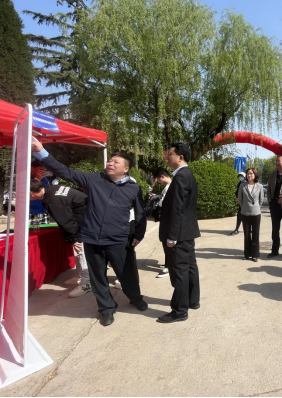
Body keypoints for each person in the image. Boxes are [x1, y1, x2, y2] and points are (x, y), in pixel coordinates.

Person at [31, 138, 148, 328]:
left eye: (116, 162)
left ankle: (135, 298)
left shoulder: (133, 189)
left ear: (126, 169)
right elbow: (64, 171)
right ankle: (106, 308)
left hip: (118, 240)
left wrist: (139, 234)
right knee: (97, 277)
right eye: (109, 160)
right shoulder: (94, 180)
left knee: (127, 273)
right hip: (93, 239)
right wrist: (40, 151)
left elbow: (141, 212)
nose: (110, 163)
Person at [158, 142, 201, 324]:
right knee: (190, 266)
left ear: (180, 157)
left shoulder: (181, 177)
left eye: (170, 153)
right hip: (187, 231)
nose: (167, 156)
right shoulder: (186, 175)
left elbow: (177, 210)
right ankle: (192, 300)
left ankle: (180, 310)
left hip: (179, 234)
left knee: (180, 271)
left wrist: (172, 236)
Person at [30, 180, 91, 298]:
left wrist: (73, 239)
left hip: (86, 222)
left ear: (30, 193)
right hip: (86, 218)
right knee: (79, 252)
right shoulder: (52, 189)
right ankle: (79, 274)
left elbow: (66, 221)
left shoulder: (51, 200)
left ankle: (87, 283)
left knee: (81, 251)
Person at [238, 168, 264, 262]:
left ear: (255, 175)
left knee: (255, 234)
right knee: (247, 234)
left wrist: (256, 207)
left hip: (256, 213)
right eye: (248, 174)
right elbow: (240, 199)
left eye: (251, 173)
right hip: (245, 212)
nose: (249, 175)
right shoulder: (242, 186)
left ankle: (255, 255)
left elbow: (261, 200)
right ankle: (246, 254)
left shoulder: (260, 186)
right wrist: (244, 207)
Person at [152, 168, 173, 278]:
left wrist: (157, 200)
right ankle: (168, 263)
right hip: (166, 219)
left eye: (158, 180)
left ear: (162, 177)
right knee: (165, 242)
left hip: (169, 219)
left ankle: (169, 266)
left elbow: (166, 204)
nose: (159, 182)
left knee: (167, 243)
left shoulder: (171, 187)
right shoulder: (168, 187)